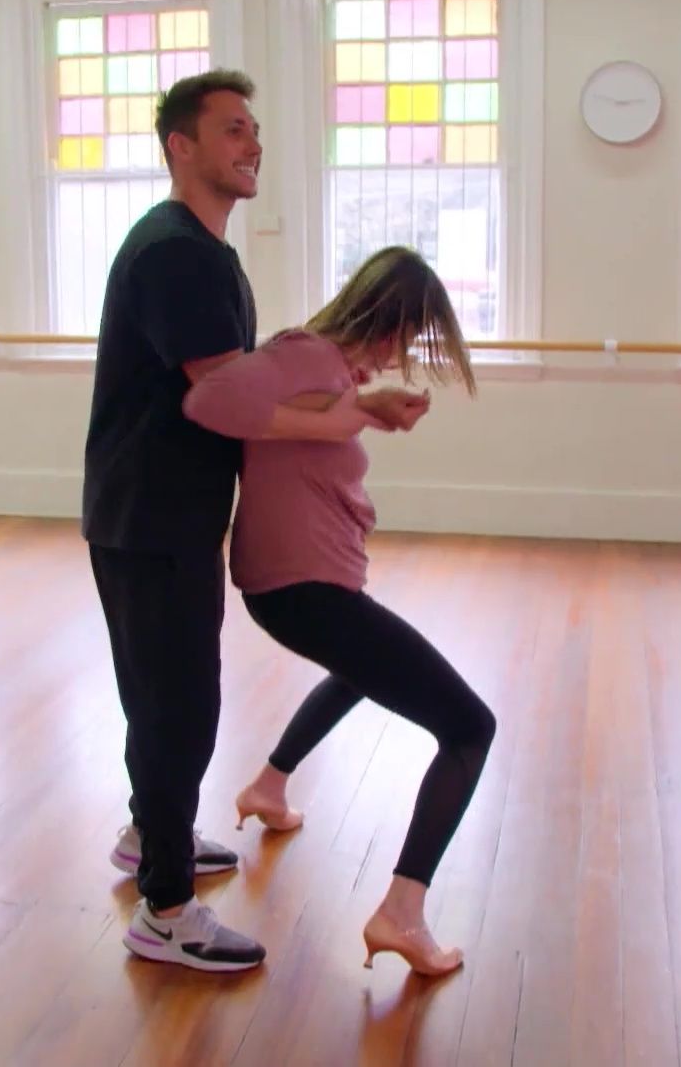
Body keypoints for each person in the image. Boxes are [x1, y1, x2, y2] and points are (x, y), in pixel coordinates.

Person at [82, 71, 426, 974]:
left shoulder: (205, 252)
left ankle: (149, 835)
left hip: (162, 515)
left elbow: (238, 391)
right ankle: (164, 910)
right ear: (181, 146)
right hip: (152, 517)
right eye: (232, 129)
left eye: (254, 128)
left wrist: (349, 406)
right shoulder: (179, 256)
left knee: (164, 696)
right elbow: (228, 403)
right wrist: (350, 414)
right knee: (178, 705)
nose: (253, 143)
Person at [182, 246, 496, 979]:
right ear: (384, 318)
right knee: (470, 728)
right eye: (405, 337)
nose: (400, 356)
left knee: (362, 672)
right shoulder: (306, 355)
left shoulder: (330, 373)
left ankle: (269, 787)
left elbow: (308, 426)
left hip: (309, 590)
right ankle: (401, 913)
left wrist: (360, 409)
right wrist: (352, 413)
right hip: (303, 591)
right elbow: (208, 403)